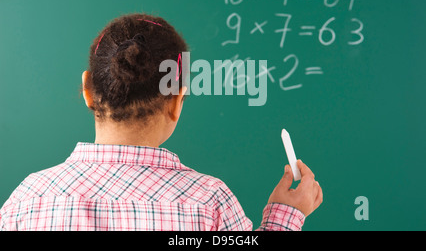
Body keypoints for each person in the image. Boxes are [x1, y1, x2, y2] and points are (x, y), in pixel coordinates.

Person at [0, 13, 322, 231]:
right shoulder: (208, 202)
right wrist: (286, 216)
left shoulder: (26, 202)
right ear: (176, 102)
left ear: (88, 90)